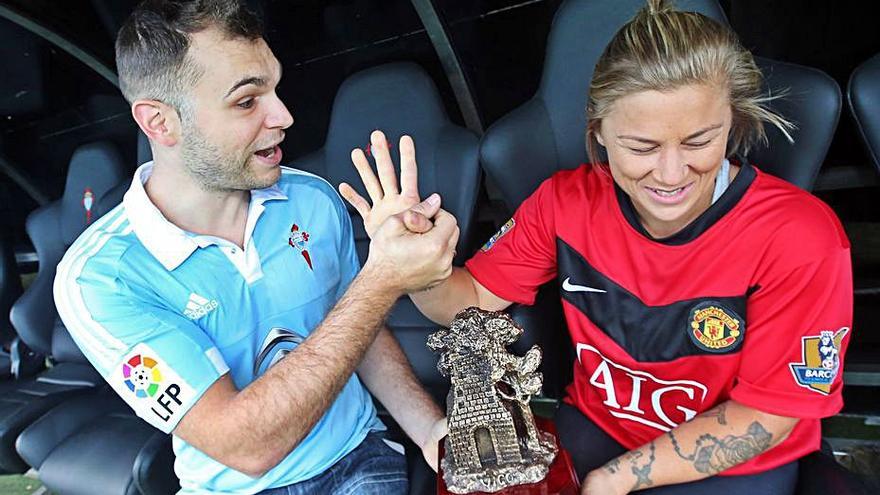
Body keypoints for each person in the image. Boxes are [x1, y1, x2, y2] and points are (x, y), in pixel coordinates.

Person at [340, 1, 852, 494]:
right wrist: (421, 268)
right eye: (642, 147)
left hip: (736, 462)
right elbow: (467, 301)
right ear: (600, 132)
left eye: (699, 141)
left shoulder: (801, 237)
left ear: (732, 123)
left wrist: (619, 478)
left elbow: (766, 416)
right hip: (596, 426)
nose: (672, 174)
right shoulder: (566, 203)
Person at [53, 1, 452, 493]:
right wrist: (381, 279)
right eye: (247, 101)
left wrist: (432, 432)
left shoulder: (312, 199)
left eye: (276, 89)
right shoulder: (100, 279)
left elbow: (360, 328)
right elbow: (247, 447)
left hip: (358, 459)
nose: (283, 116)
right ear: (159, 123)